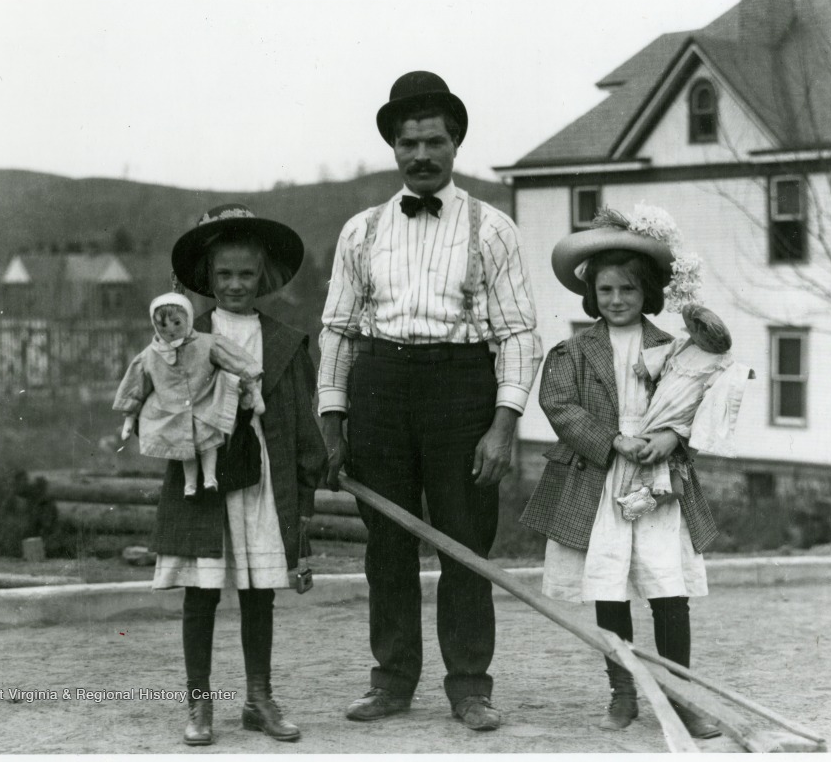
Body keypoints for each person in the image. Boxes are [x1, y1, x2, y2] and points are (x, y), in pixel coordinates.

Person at [318, 70, 543, 731]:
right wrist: (332, 421)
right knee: (386, 545)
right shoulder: (360, 231)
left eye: (434, 141)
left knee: (464, 542)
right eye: (408, 143)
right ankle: (391, 680)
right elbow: (337, 330)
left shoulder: (492, 228)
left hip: (461, 390)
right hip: (380, 388)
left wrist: (503, 426)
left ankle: (469, 686)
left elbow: (518, 333)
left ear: (456, 144)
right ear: (393, 146)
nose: (420, 155)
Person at [520, 205, 723, 739]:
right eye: (605, 290)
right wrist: (612, 440)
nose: (616, 300)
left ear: (646, 292)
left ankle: (679, 696)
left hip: (659, 479)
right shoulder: (573, 351)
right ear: (592, 295)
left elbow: (698, 402)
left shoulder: (677, 350)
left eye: (628, 290)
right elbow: (560, 406)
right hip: (601, 475)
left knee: (667, 588)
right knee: (609, 586)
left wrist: (670, 437)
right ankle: (624, 690)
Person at [150, 203, 326, 746]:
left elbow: (301, 424)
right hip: (202, 480)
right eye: (223, 274)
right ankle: (199, 702)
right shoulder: (183, 337)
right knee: (201, 592)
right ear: (207, 277)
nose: (234, 285)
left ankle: (258, 699)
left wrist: (307, 491)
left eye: (246, 274)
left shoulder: (286, 342)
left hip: (263, 479)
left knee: (258, 591)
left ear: (263, 276)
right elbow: (158, 402)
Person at [113, 292, 266, 500]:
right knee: (185, 449)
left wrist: (250, 380)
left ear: (188, 319)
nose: (171, 330)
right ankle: (190, 485)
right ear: (155, 326)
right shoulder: (151, 355)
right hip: (173, 412)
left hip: (204, 404)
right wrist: (130, 416)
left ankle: (210, 479)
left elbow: (234, 359)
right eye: (163, 326)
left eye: (177, 323)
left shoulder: (206, 344)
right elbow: (136, 382)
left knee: (208, 443)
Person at [616, 303, 753, 521]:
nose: (697, 338)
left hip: (679, 415)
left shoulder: (721, 363)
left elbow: (720, 393)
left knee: (667, 461)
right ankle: (640, 497)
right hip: (659, 409)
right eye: (695, 332)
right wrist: (646, 365)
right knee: (652, 455)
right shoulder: (681, 346)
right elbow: (662, 354)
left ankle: (644, 501)